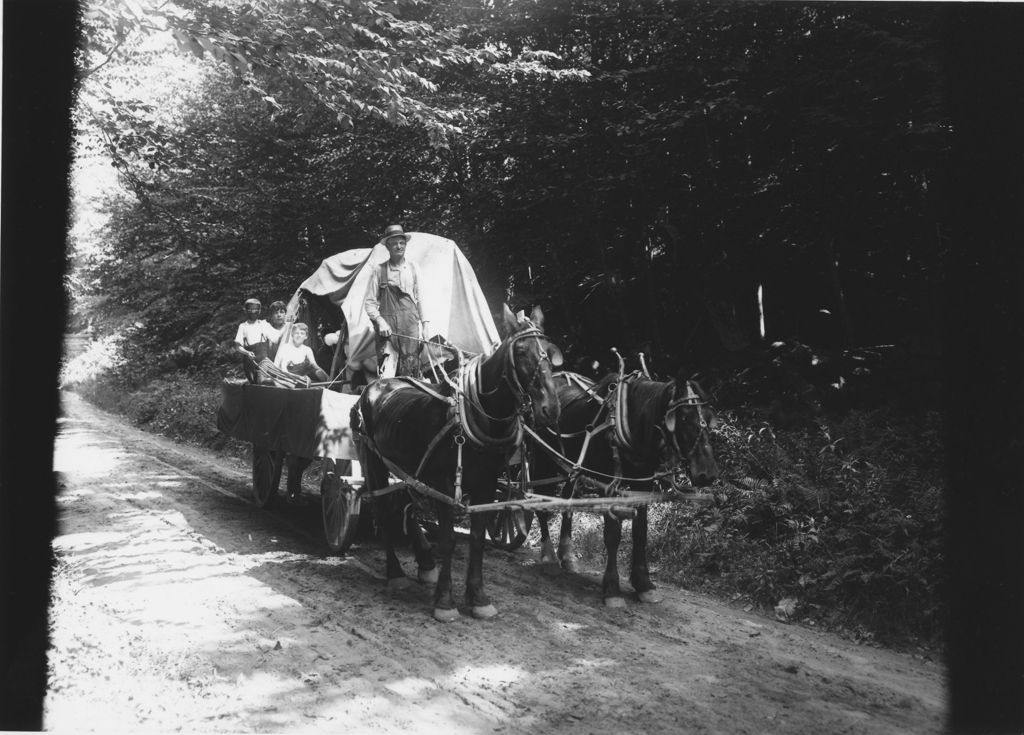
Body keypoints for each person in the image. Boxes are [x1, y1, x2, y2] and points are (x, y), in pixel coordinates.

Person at [364, 224, 430, 378]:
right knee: (388, 373)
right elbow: (370, 303)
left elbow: (421, 299)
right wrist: (380, 321)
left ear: (405, 245)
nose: (398, 246)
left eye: (401, 243)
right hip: (387, 329)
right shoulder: (379, 270)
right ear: (387, 246)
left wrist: (426, 326)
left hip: (410, 326)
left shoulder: (413, 268)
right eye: (394, 243)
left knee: (411, 369)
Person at [233, 298, 278, 383]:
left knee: (262, 382)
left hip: (264, 361)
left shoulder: (264, 325)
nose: (253, 312)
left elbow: (276, 339)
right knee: (253, 383)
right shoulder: (243, 326)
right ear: (245, 310)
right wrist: (247, 353)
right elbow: (237, 346)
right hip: (249, 362)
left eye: (255, 309)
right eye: (250, 309)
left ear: (259, 311)